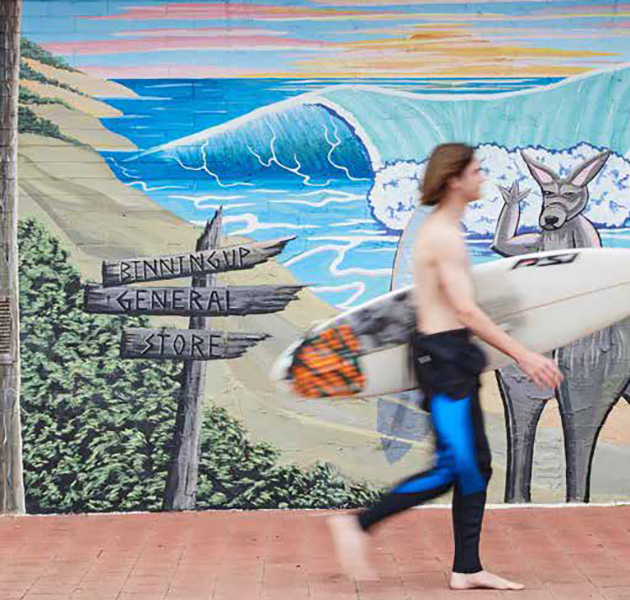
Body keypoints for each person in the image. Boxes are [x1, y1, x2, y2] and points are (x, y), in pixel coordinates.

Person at [328, 143, 564, 591]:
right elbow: (468, 312)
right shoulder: (442, 235)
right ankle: (358, 524)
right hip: (443, 360)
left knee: (474, 464)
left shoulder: (444, 230)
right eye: (475, 171)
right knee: (453, 466)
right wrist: (525, 354)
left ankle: (467, 568)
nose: (482, 178)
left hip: (451, 355)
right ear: (454, 179)